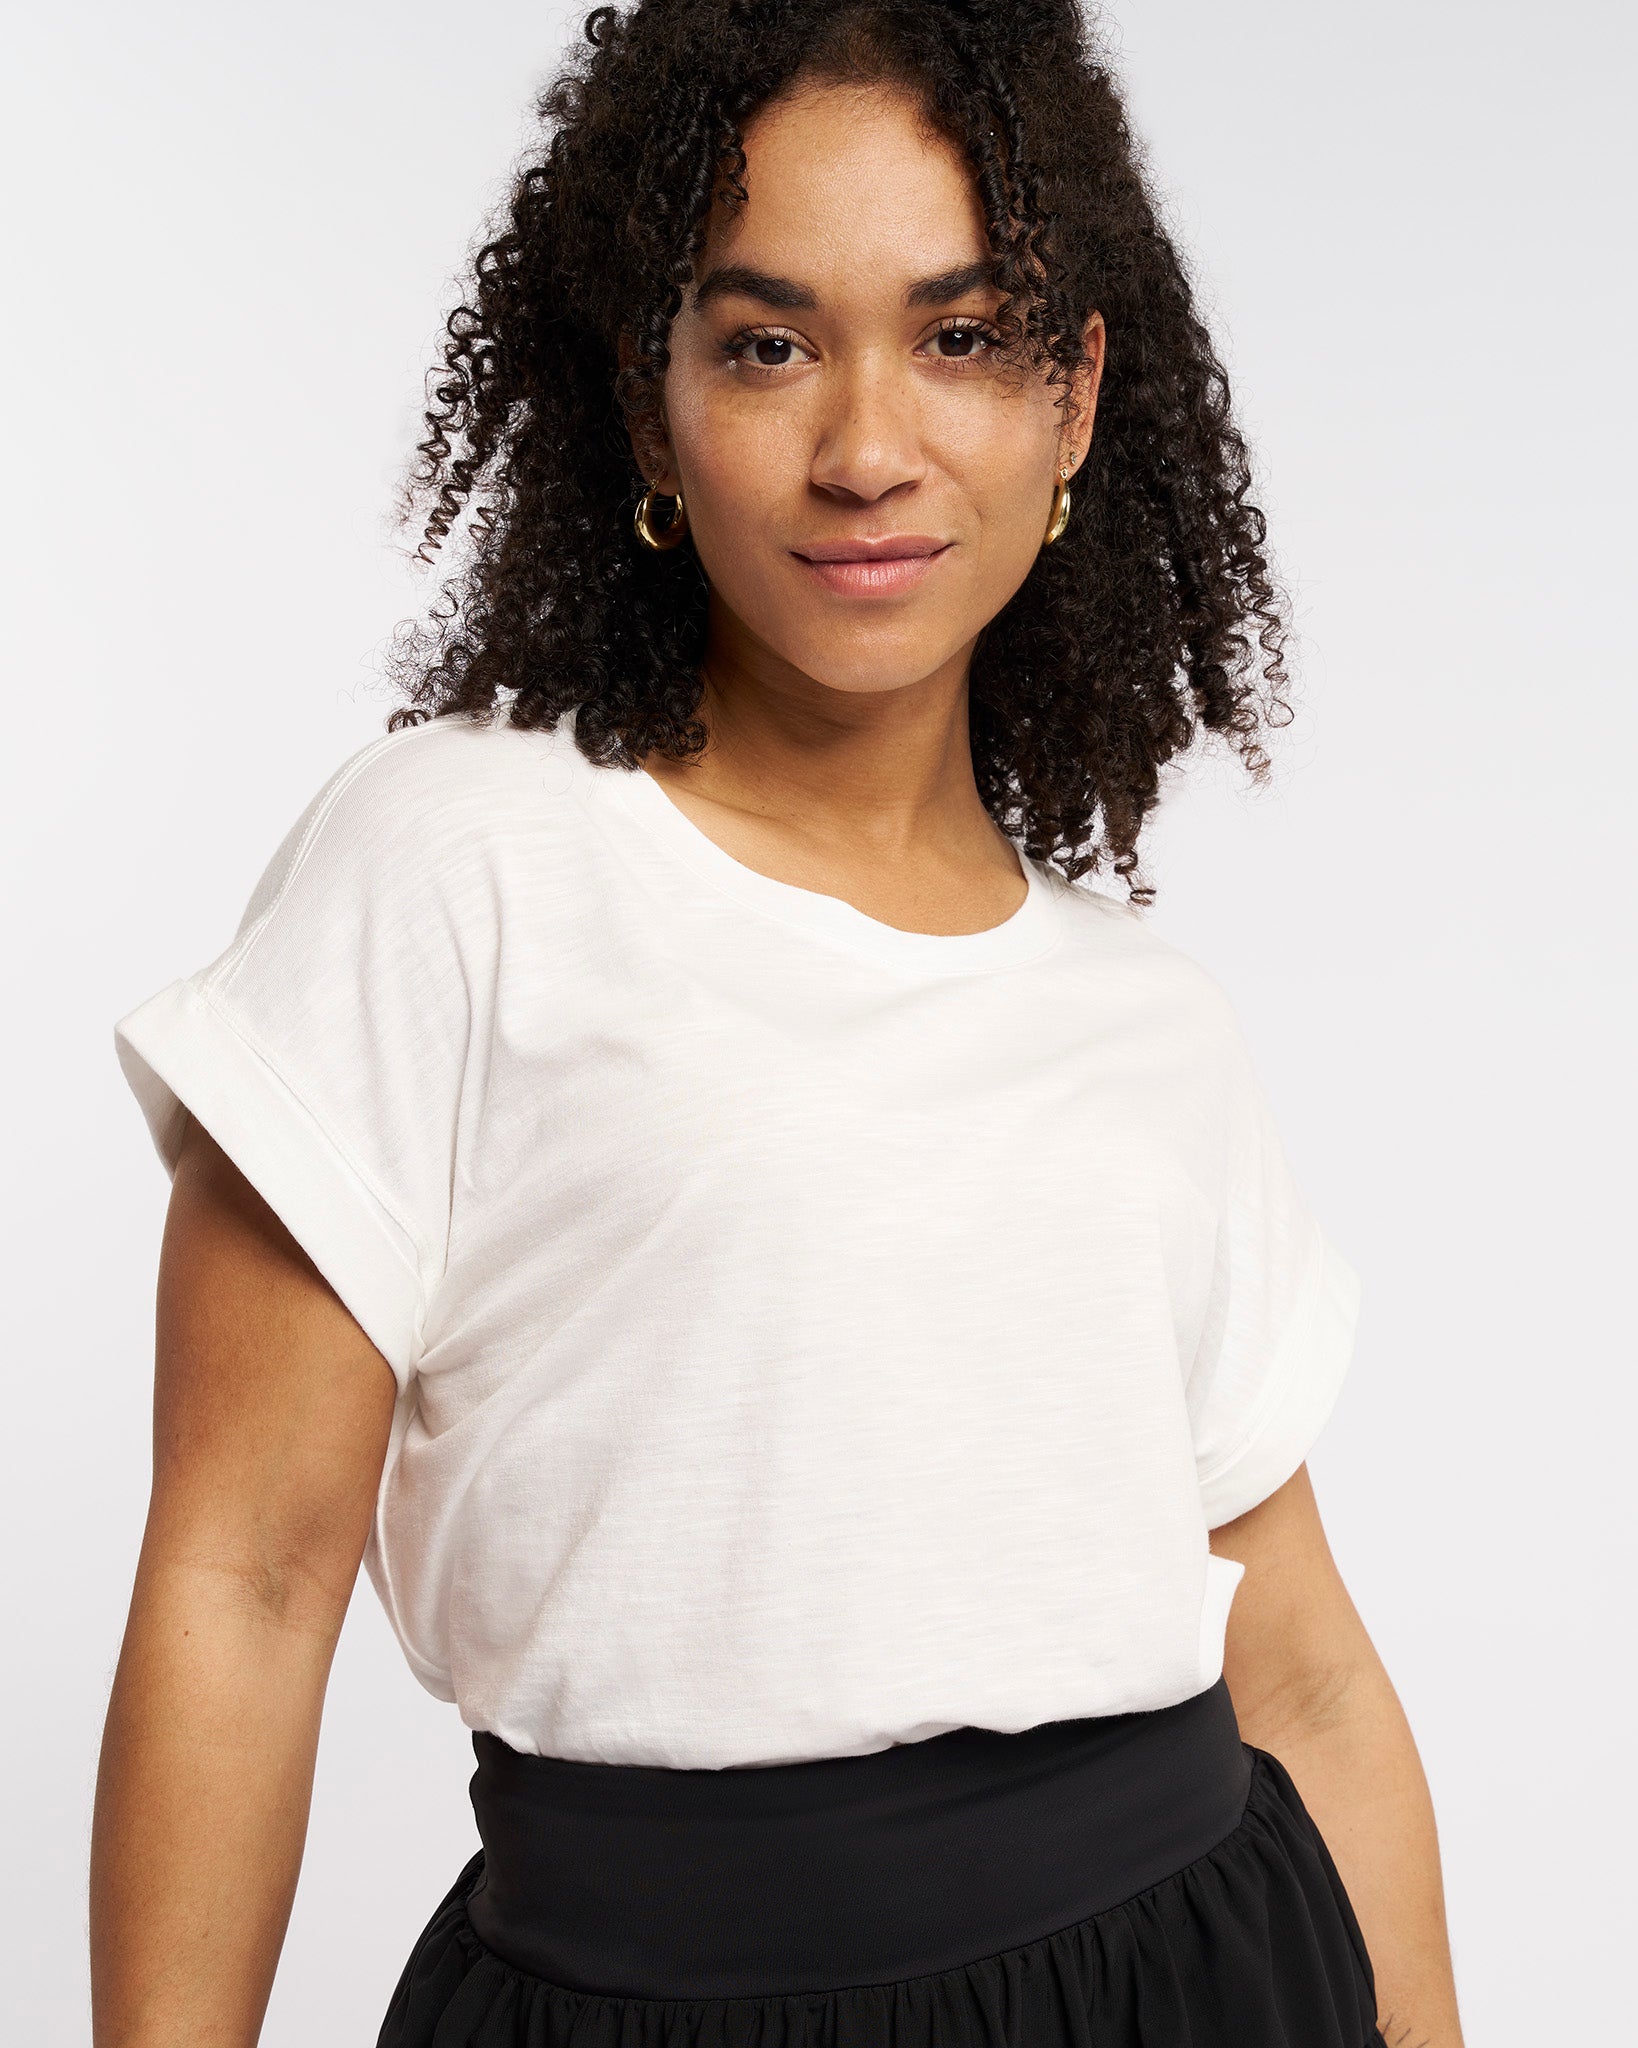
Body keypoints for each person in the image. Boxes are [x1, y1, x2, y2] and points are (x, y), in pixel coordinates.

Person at [91, 3, 1466, 2044]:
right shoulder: (460, 863)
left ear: (1076, 399)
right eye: (764, 345)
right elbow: (243, 1582)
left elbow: (1309, 1673)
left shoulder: (1146, 1019)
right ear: (649, 414)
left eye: (962, 334)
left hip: (1200, 1968)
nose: (867, 446)